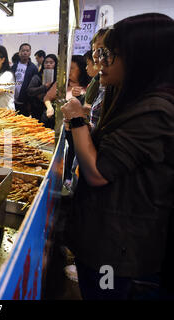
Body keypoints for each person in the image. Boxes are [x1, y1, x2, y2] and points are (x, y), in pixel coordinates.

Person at [60, 13, 174, 300]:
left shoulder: (156, 110)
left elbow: (98, 172)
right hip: (105, 239)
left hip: (119, 254)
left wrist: (76, 120)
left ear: (141, 59)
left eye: (109, 54)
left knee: (106, 293)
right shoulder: (127, 96)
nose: (100, 62)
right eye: (99, 53)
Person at [26, 54, 58, 121]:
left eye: (51, 62)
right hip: (37, 108)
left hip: (51, 109)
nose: (48, 64)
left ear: (55, 64)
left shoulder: (58, 78)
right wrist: (44, 87)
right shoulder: (37, 76)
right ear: (43, 64)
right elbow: (29, 90)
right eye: (46, 62)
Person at [11, 43, 38, 114]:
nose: (25, 52)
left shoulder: (33, 68)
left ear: (30, 53)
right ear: (19, 52)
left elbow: (34, 86)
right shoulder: (14, 66)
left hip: (25, 102)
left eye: (27, 51)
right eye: (23, 51)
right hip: (12, 100)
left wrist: (30, 102)